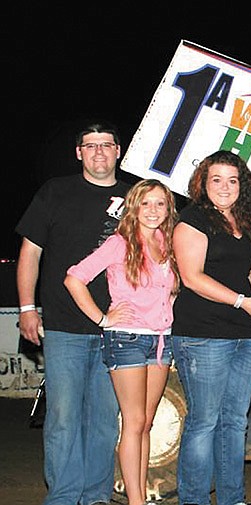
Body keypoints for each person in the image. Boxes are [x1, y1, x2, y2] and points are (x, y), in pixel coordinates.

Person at [16, 121, 130, 505]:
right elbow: (30, 253)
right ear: (78, 152)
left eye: (106, 145)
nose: (99, 152)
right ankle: (64, 496)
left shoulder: (136, 197)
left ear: (119, 150)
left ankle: (96, 495)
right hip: (63, 326)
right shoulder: (55, 192)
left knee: (102, 419)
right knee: (63, 418)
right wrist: (28, 308)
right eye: (90, 145)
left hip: (118, 329)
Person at [64, 179, 179, 505]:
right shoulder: (119, 243)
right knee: (132, 422)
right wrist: (102, 319)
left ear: (168, 208)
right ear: (134, 207)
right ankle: (136, 500)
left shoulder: (166, 242)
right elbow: (74, 278)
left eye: (160, 203)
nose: (153, 210)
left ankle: (139, 495)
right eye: (146, 203)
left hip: (160, 340)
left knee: (145, 423)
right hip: (126, 337)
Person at [172, 150, 251, 505]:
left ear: (242, 186)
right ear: (203, 183)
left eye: (233, 180)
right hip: (202, 334)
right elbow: (192, 277)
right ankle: (195, 499)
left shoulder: (243, 223)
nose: (225, 187)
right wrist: (240, 301)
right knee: (204, 422)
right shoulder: (193, 218)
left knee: (235, 422)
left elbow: (244, 280)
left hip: (243, 333)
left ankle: (233, 498)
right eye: (216, 179)